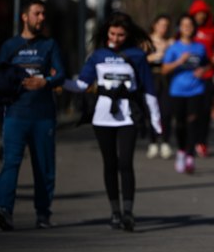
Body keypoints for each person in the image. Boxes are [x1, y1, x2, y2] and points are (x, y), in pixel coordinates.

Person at [63, 12, 162, 232]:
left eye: (120, 35)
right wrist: (57, 80)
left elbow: (148, 89)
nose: (116, 38)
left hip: (128, 116)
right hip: (103, 117)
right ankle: (115, 212)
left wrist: (156, 121)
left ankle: (128, 212)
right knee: (110, 164)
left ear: (127, 35)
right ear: (107, 32)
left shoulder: (137, 55)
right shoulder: (98, 55)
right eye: (112, 34)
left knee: (125, 163)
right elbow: (81, 85)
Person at [0, 0, 66, 231]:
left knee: (44, 166)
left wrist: (46, 81)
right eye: (36, 13)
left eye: (43, 14)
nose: (41, 18)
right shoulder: (10, 46)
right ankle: (4, 210)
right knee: (11, 162)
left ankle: (43, 214)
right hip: (15, 114)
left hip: (43, 116)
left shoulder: (49, 45)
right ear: (24, 17)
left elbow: (61, 74)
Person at [161, 14, 209, 174]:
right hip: (177, 91)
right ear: (179, 28)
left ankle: (190, 155)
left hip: (196, 89)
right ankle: (181, 151)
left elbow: (207, 64)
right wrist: (179, 62)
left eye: (190, 25)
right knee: (180, 124)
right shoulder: (174, 48)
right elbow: (164, 69)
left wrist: (202, 70)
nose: (187, 27)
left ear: (194, 28)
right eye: (184, 25)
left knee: (193, 122)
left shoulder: (200, 47)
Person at [188, 0, 214, 157]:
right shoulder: (188, 29)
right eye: (198, 14)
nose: (201, 16)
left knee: (204, 110)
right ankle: (190, 142)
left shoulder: (213, 29)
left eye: (203, 13)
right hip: (189, 75)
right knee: (191, 111)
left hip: (207, 74)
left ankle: (202, 142)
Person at [145, 14, 175, 159]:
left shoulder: (170, 42)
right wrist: (154, 56)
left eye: (166, 25)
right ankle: (152, 142)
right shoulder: (147, 41)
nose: (164, 28)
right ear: (154, 25)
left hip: (166, 79)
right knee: (152, 111)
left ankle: (165, 142)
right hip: (151, 77)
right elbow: (139, 59)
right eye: (161, 25)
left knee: (166, 111)